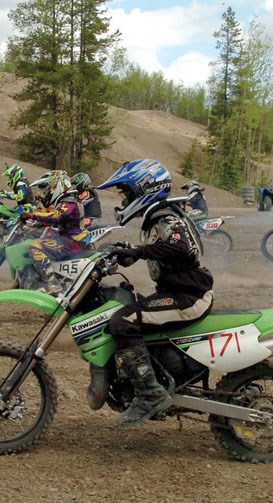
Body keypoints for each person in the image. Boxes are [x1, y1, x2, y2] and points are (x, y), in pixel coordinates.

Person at [97, 159, 214, 428]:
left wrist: (137, 251)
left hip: (189, 297)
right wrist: (124, 251)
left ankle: (150, 393)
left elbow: (179, 248)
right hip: (180, 292)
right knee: (126, 306)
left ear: (143, 190)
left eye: (127, 193)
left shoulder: (167, 217)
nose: (124, 200)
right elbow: (162, 251)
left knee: (122, 321)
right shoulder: (159, 217)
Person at [20, 170, 88, 294]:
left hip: (71, 242)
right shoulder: (68, 201)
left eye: (47, 189)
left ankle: (52, 284)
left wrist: (31, 215)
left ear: (58, 185)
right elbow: (59, 220)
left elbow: (55, 217)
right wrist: (37, 224)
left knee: (35, 245)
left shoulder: (69, 202)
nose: (46, 193)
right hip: (69, 240)